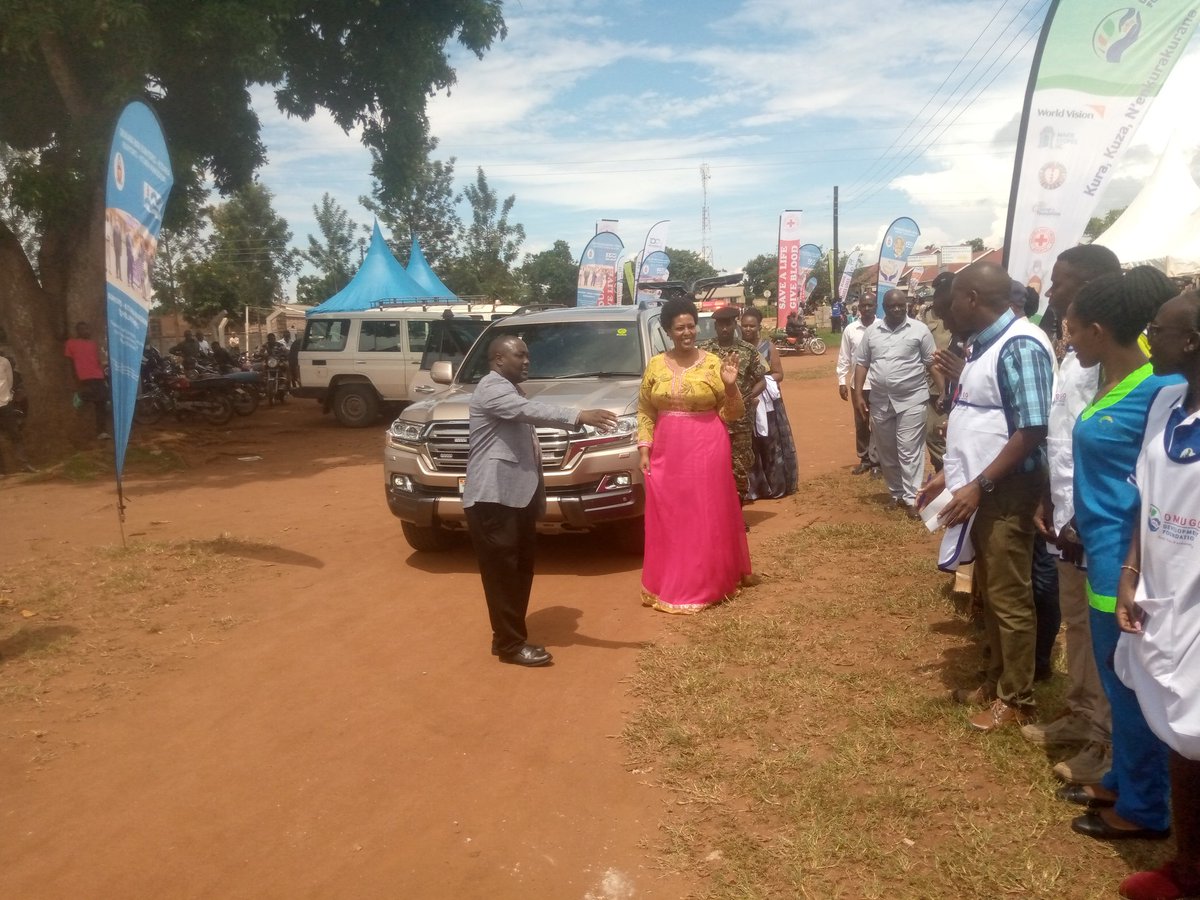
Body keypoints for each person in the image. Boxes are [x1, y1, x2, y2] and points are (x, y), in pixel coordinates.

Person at [1055, 270, 1181, 842]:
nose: (1069, 339)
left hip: (1125, 562)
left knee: (1129, 687)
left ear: (1100, 330)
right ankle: (1122, 778)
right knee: (1117, 681)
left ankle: (1144, 807)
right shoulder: (1118, 384)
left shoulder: (1161, 389)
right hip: (1098, 546)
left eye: (1075, 330)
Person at [921, 261, 1054, 732]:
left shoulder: (1019, 344)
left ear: (972, 297)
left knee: (1008, 593)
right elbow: (976, 419)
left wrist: (981, 484)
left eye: (954, 296)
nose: (948, 305)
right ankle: (996, 677)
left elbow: (1032, 428)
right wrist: (948, 475)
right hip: (983, 487)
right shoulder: (985, 345)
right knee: (988, 590)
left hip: (1007, 490)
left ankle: (1016, 698)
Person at [1026, 244, 1124, 785]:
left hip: (1097, 522)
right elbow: (1061, 437)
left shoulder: (1117, 361)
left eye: (1062, 283)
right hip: (1064, 512)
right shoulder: (1074, 352)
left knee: (1106, 636)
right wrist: (1048, 496)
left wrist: (1083, 513)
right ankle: (1083, 714)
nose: (1052, 292)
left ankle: (1108, 741)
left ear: (1091, 285)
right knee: (1078, 623)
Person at [1114, 289, 1200, 898]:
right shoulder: (1166, 399)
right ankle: (1188, 866)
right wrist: (1131, 569)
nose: (1149, 339)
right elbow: (1148, 494)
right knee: (1180, 731)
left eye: (1159, 330)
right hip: (1163, 593)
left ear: (1192, 341)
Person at [463, 335, 617, 667]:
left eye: (528, 355)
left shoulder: (510, 388)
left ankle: (505, 637)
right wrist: (579, 416)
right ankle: (510, 645)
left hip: (512, 498)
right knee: (504, 573)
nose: (527, 360)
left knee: (518, 569)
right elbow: (530, 411)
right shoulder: (492, 388)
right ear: (499, 360)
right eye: (521, 355)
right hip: (493, 499)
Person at [639, 297, 751, 613]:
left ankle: (707, 581)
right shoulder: (655, 365)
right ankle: (669, 579)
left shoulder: (715, 364)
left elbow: (733, 412)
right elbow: (645, 408)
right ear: (668, 331)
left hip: (706, 446)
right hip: (666, 450)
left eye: (691, 326)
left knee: (704, 512)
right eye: (680, 328)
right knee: (673, 514)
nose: (687, 332)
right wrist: (644, 447)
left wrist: (730, 387)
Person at [852, 289, 939, 515]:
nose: (898, 309)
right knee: (887, 449)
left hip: (912, 398)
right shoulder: (872, 332)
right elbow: (862, 363)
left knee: (909, 449)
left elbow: (932, 363)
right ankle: (896, 493)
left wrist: (943, 392)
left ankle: (912, 498)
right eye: (892, 306)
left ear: (907, 305)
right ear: (885, 307)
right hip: (880, 400)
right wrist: (859, 394)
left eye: (902, 305)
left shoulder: (920, 330)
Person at [699, 306, 767, 505]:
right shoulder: (703, 352)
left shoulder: (748, 351)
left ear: (735, 324)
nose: (725, 328)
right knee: (712, 466)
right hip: (711, 421)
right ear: (716, 326)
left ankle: (736, 512)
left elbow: (761, 380)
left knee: (739, 466)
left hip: (740, 423)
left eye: (729, 324)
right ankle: (716, 512)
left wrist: (745, 398)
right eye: (721, 324)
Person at [740, 307, 798, 499]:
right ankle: (754, 489)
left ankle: (775, 486)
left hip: (766, 404)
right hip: (745, 403)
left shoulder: (767, 347)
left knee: (769, 444)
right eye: (744, 326)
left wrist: (761, 380)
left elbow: (779, 374)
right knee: (749, 445)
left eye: (752, 326)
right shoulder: (737, 348)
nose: (748, 329)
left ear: (758, 327)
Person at [836, 300, 879, 475]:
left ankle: (877, 462)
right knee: (861, 422)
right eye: (864, 306)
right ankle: (865, 459)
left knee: (878, 423)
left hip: (878, 384)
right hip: (858, 386)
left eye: (871, 305)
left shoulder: (883, 327)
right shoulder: (850, 329)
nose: (867, 308)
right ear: (858, 308)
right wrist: (841, 381)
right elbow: (844, 356)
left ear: (876, 307)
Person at [925, 273, 956, 473]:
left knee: (955, 434)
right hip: (935, 385)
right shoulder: (928, 313)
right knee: (933, 433)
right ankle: (942, 472)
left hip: (959, 382)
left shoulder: (965, 315)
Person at [64, 321, 109, 439]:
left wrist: (102, 372)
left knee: (102, 402)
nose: (86, 331)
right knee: (92, 394)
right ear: (78, 331)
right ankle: (80, 395)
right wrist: (72, 378)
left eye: (88, 329)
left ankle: (101, 431)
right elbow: (69, 362)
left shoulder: (93, 344)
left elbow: (97, 360)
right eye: (83, 329)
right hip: (84, 376)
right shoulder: (71, 343)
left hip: (98, 375)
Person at [0, 350, 34, 475]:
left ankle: (24, 464)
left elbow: (10, 382)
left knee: (15, 434)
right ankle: (2, 471)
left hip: (5, 404)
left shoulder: (4, 362)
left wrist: (7, 397)